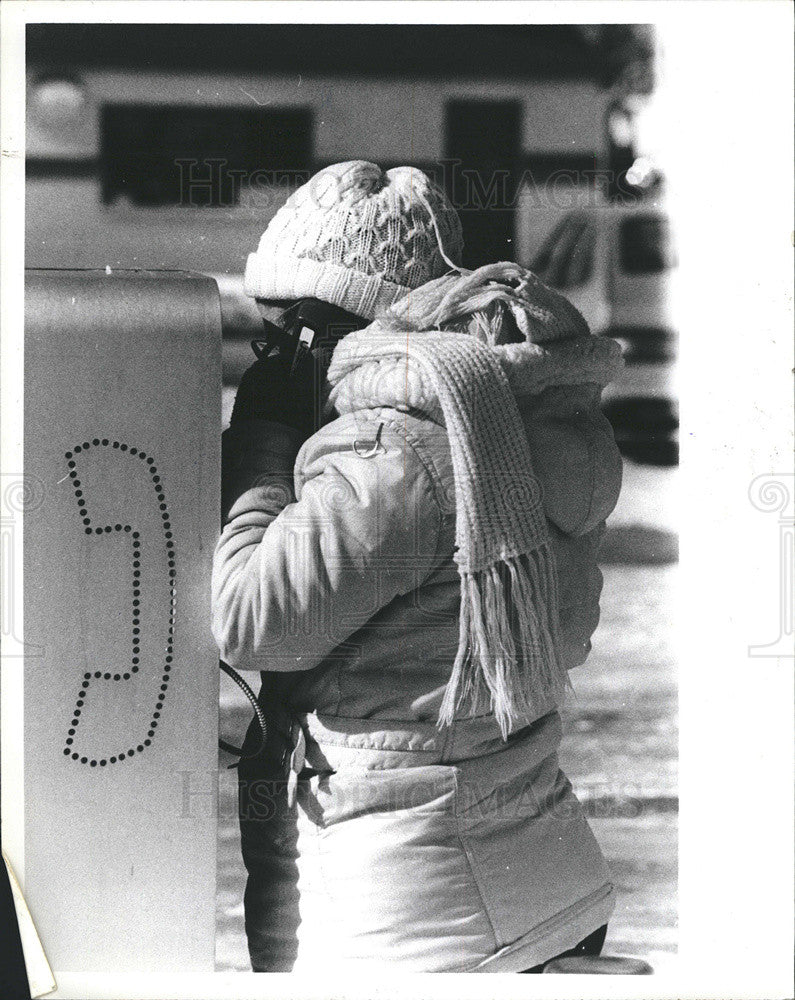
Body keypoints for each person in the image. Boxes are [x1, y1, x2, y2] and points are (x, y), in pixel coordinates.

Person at [212, 160, 624, 973]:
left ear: (357, 320)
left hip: (422, 912)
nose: (273, 360)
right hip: (535, 863)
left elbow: (250, 622)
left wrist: (262, 447)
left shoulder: (395, 447)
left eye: (286, 332)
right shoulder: (511, 407)